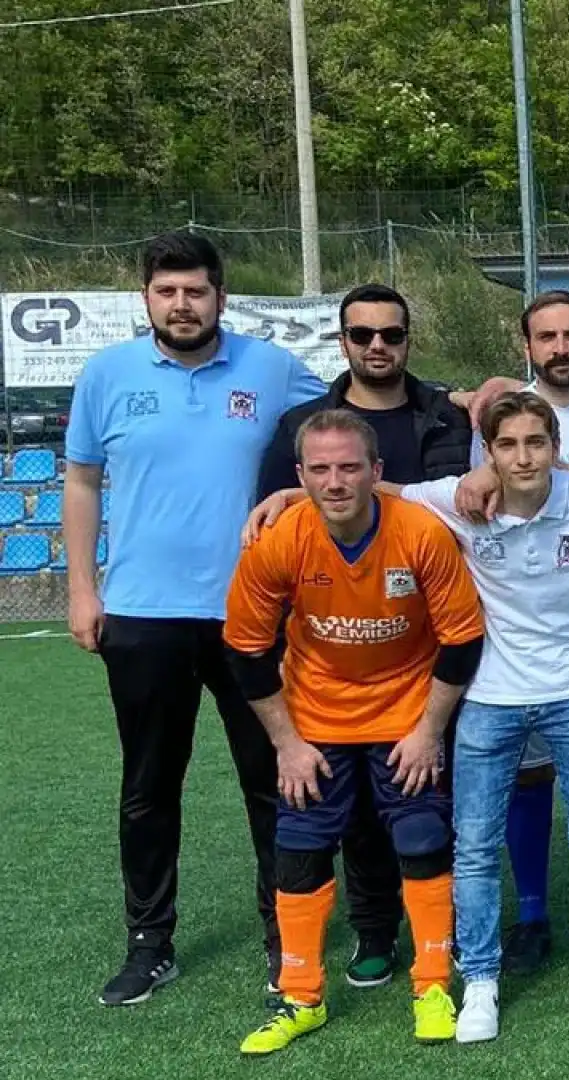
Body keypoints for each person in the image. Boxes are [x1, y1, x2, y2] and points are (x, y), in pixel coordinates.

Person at [65, 231, 329, 1006]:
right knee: (149, 786)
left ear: (221, 297)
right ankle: (150, 942)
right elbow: (81, 483)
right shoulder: (106, 374)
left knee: (275, 781)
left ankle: (289, 931)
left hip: (252, 614)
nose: (182, 304)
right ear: (146, 297)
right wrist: (85, 590)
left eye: (196, 291)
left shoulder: (272, 368)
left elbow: (351, 421)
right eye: (167, 290)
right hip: (142, 616)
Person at [223, 410, 482, 1053]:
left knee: (422, 837)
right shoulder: (279, 539)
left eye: (348, 467)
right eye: (319, 469)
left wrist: (427, 732)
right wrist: (287, 743)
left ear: (377, 472)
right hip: (315, 722)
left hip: (407, 717)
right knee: (300, 844)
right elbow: (247, 650)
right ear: (300, 475)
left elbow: (461, 640)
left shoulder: (420, 532)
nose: (335, 482)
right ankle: (300, 996)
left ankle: (431, 985)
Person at [403, 391, 569, 1040]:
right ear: (488, 452)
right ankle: (480, 981)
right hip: (488, 696)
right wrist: (290, 497)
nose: (523, 457)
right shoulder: (458, 498)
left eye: (535, 443)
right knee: (477, 846)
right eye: (506, 445)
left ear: (557, 449)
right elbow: (386, 494)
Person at [254, 282, 473, 990]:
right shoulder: (304, 424)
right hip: (331, 663)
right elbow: (274, 527)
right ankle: (373, 932)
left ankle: (446, 945)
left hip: (426, 650)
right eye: (362, 334)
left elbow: (449, 506)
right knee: (348, 822)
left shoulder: (444, 414)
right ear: (343, 342)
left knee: (427, 809)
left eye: (391, 333)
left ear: (408, 339)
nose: (377, 345)